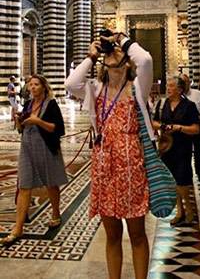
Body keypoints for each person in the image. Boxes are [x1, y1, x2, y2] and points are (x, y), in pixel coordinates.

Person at [65, 31, 154, 279]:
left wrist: (122, 40)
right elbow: (70, 84)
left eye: (117, 50)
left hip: (132, 167)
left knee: (137, 234)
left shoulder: (137, 88)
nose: (112, 51)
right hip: (104, 168)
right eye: (109, 49)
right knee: (112, 235)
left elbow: (145, 61)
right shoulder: (95, 89)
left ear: (127, 60)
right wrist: (91, 58)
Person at [0, 74, 67, 247]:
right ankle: (18, 228)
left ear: (43, 87)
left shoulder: (51, 104)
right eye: (31, 84)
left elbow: (58, 128)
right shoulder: (28, 104)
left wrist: (38, 121)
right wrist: (19, 122)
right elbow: (22, 130)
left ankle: (56, 212)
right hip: (28, 148)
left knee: (51, 183)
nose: (33, 87)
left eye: (36, 84)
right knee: (24, 185)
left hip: (46, 147)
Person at [152, 76, 199, 226]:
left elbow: (196, 129)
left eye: (172, 86)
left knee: (182, 180)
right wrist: (161, 127)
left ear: (179, 90)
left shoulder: (189, 106)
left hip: (183, 147)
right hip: (167, 147)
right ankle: (180, 210)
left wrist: (178, 128)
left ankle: (189, 206)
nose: (168, 88)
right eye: (168, 86)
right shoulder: (161, 104)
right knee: (172, 180)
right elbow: (153, 121)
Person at [180, 73, 200, 186]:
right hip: (184, 129)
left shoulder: (197, 94)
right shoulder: (178, 95)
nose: (184, 84)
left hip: (197, 126)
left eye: (186, 82)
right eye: (182, 82)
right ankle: (187, 177)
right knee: (185, 153)